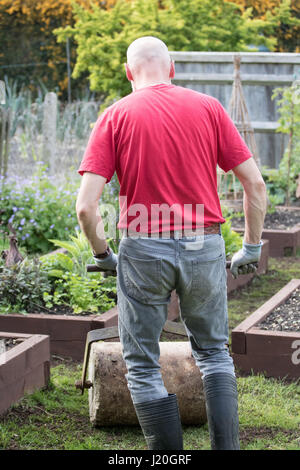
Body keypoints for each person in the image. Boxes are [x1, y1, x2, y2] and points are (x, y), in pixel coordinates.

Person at [76, 36, 267, 450]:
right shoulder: (209, 109)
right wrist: (251, 246)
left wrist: (104, 254)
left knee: (142, 364)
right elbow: (254, 183)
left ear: (129, 73)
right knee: (215, 354)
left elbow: (86, 209)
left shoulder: (114, 116)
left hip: (143, 246)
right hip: (205, 245)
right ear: (173, 67)